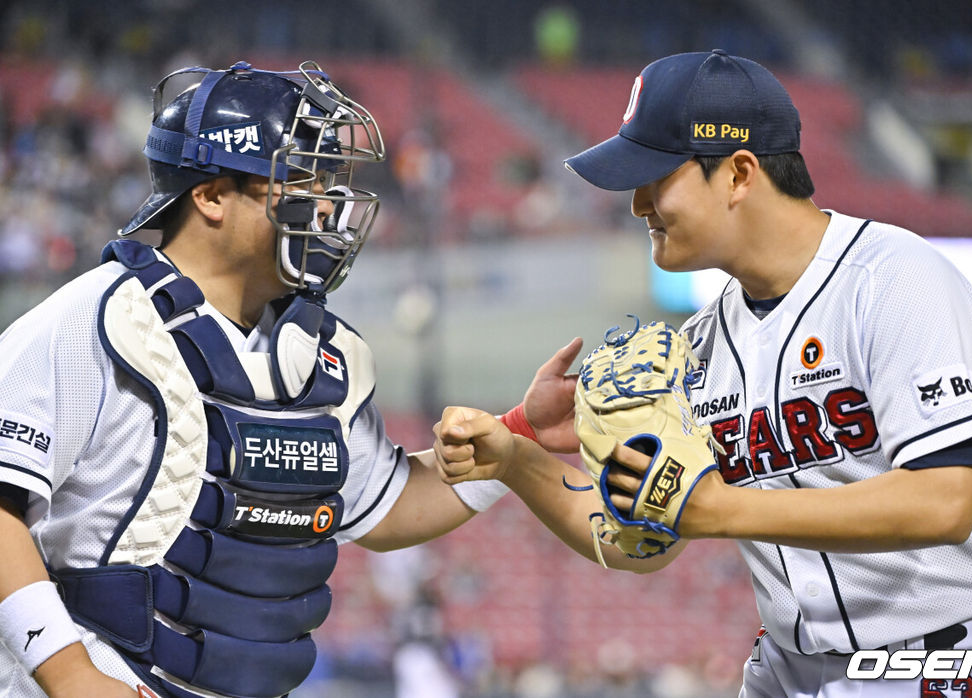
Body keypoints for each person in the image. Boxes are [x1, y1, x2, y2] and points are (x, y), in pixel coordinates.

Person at [433, 50, 972, 695]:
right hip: (788, 668)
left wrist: (716, 507)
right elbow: (637, 538)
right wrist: (518, 458)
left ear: (740, 173)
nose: (637, 205)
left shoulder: (893, 279)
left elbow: (944, 500)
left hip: (948, 659)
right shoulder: (699, 346)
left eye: (656, 176)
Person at [0, 59, 574, 698]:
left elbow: (385, 508)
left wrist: (520, 433)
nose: (327, 203)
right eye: (300, 178)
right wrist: (69, 674)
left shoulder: (325, 352)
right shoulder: (96, 319)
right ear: (212, 194)